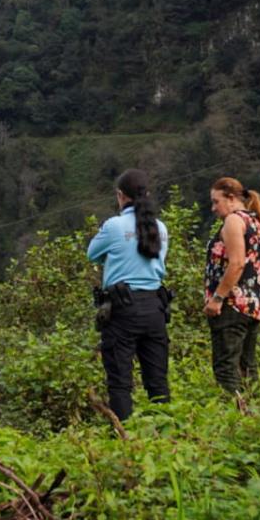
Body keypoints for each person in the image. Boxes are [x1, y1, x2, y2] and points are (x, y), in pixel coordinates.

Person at [86, 168, 170, 420]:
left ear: (120, 196)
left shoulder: (114, 226)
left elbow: (92, 254)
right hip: (156, 307)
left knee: (120, 380)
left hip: (122, 309)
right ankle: (167, 437)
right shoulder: (161, 228)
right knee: (157, 380)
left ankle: (124, 439)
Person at [203, 177, 260, 398]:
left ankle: (233, 418)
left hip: (232, 305)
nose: (213, 208)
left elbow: (237, 263)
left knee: (226, 368)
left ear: (231, 198)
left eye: (216, 201)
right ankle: (255, 414)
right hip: (252, 305)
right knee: (247, 366)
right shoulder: (254, 222)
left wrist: (218, 298)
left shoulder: (233, 221)